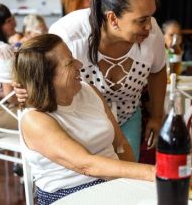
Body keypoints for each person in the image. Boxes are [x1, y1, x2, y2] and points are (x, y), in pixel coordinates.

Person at [15, 0, 167, 161]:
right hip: (79, 122)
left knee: (127, 175)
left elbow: (158, 70)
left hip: (128, 115)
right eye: (141, 20)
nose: (149, 26)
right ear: (113, 19)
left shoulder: (152, 34)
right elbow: (37, 65)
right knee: (87, 177)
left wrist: (157, 116)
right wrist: (25, 85)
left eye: (151, 16)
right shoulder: (69, 33)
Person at [14, 34, 155, 204]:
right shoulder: (35, 119)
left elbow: (120, 143)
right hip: (68, 194)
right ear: (46, 77)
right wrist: (150, 173)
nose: (79, 65)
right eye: (69, 63)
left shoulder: (89, 91)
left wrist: (135, 184)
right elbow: (86, 165)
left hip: (113, 182)